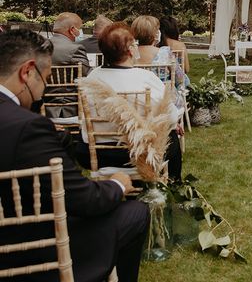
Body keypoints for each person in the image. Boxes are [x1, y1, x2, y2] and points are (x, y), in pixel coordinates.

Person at [0, 29, 149, 282]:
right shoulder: (27, 127)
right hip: (25, 248)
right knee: (135, 212)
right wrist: (117, 184)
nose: (41, 92)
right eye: (45, 80)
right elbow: (85, 200)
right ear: (27, 72)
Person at [82, 23, 183, 181]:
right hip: (142, 154)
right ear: (130, 50)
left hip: (101, 153)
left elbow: (84, 127)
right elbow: (171, 117)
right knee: (172, 138)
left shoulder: (92, 77)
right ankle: (174, 182)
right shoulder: (145, 78)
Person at [46, 12, 92, 118]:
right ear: (72, 29)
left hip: (42, 103)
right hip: (69, 106)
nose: (81, 32)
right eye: (80, 29)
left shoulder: (39, 46)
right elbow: (88, 76)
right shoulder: (75, 49)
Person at [132, 15, 185, 88]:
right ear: (155, 34)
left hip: (137, 96)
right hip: (162, 97)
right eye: (158, 29)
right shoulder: (165, 52)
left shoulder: (129, 54)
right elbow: (180, 79)